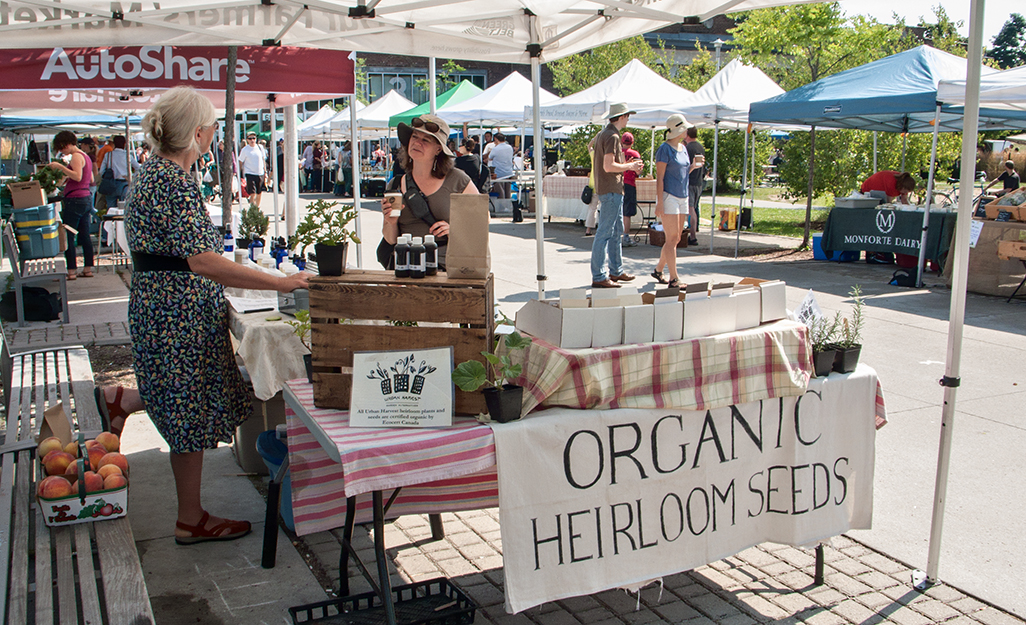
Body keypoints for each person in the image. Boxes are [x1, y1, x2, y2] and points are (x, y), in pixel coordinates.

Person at [125, 85, 308, 545]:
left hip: (164, 302)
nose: (214, 134)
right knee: (187, 407)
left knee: (186, 396)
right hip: (176, 310)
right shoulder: (172, 180)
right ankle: (190, 519)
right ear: (199, 132)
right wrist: (281, 282)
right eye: (211, 127)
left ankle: (124, 403)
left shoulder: (157, 174)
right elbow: (201, 260)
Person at [380, 114, 478, 270]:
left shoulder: (456, 179)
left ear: (438, 149)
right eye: (415, 136)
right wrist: (390, 223)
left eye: (426, 140)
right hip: (405, 267)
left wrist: (456, 229)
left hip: (446, 267)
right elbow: (391, 240)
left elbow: (482, 217)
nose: (417, 142)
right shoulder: (396, 184)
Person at [589, 103, 644, 289]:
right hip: (611, 189)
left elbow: (605, 163)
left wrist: (626, 164)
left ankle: (615, 270)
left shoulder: (605, 134)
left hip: (611, 189)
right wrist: (630, 166)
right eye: (627, 116)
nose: (628, 119)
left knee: (614, 232)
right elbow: (608, 166)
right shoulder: (612, 136)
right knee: (605, 233)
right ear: (621, 117)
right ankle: (599, 275)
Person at [652, 115, 703, 288]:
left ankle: (659, 269)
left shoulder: (683, 148)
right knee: (672, 237)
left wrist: (693, 167)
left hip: (683, 196)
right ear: (679, 130)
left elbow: (681, 174)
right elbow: (660, 178)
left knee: (675, 238)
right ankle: (674, 278)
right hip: (669, 196)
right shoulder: (664, 149)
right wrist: (659, 202)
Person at [48, 130, 95, 280]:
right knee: (85, 235)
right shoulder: (85, 156)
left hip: (75, 199)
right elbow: (90, 177)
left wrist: (61, 167)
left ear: (67, 144)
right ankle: (87, 268)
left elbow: (77, 175)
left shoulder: (75, 156)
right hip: (86, 197)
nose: (61, 151)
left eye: (62, 147)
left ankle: (71, 271)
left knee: (69, 235)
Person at [98, 135, 140, 209]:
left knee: (110, 208)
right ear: (124, 144)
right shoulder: (127, 155)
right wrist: (132, 176)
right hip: (124, 184)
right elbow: (138, 168)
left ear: (114, 144)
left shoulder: (108, 155)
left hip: (110, 183)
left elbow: (101, 171)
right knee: (124, 208)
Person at [683, 126, 705, 246]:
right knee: (694, 208)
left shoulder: (687, 148)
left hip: (690, 181)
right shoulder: (700, 147)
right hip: (698, 182)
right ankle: (693, 233)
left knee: (690, 210)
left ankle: (692, 236)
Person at [621, 131, 640, 248]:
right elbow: (639, 171)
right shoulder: (635, 154)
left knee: (617, 210)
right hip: (630, 184)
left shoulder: (617, 153)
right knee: (627, 213)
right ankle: (626, 236)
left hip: (618, 183)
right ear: (632, 142)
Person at [238, 132, 265, 208]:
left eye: (254, 138)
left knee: (259, 193)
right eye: (250, 139)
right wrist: (239, 173)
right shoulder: (245, 150)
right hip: (249, 173)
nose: (252, 140)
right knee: (252, 193)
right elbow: (240, 161)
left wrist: (265, 171)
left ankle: (257, 208)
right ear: (247, 140)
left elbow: (263, 159)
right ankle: (253, 208)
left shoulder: (260, 148)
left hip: (260, 173)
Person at [489, 133, 515, 199]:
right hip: (509, 172)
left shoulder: (495, 149)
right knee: (508, 193)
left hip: (498, 173)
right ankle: (508, 206)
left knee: (500, 193)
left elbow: (490, 157)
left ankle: (502, 207)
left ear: (496, 139)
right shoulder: (510, 147)